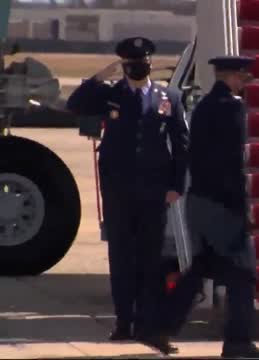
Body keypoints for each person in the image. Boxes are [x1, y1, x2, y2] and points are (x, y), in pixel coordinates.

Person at [66, 37, 188, 354]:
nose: (138, 66)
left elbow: (181, 144)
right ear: (124, 65)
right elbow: (74, 104)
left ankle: (148, 323)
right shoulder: (111, 95)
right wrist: (98, 77)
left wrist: (177, 186)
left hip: (155, 191)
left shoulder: (169, 96)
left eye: (142, 61)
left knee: (150, 259)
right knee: (121, 258)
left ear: (150, 62)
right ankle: (124, 322)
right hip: (119, 191)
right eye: (131, 62)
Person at [156, 55, 259, 359]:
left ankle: (161, 325)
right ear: (234, 77)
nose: (246, 82)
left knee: (201, 268)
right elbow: (233, 164)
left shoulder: (205, 107)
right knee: (244, 275)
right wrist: (243, 209)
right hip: (223, 204)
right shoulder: (234, 109)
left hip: (199, 200)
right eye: (244, 77)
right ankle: (238, 343)